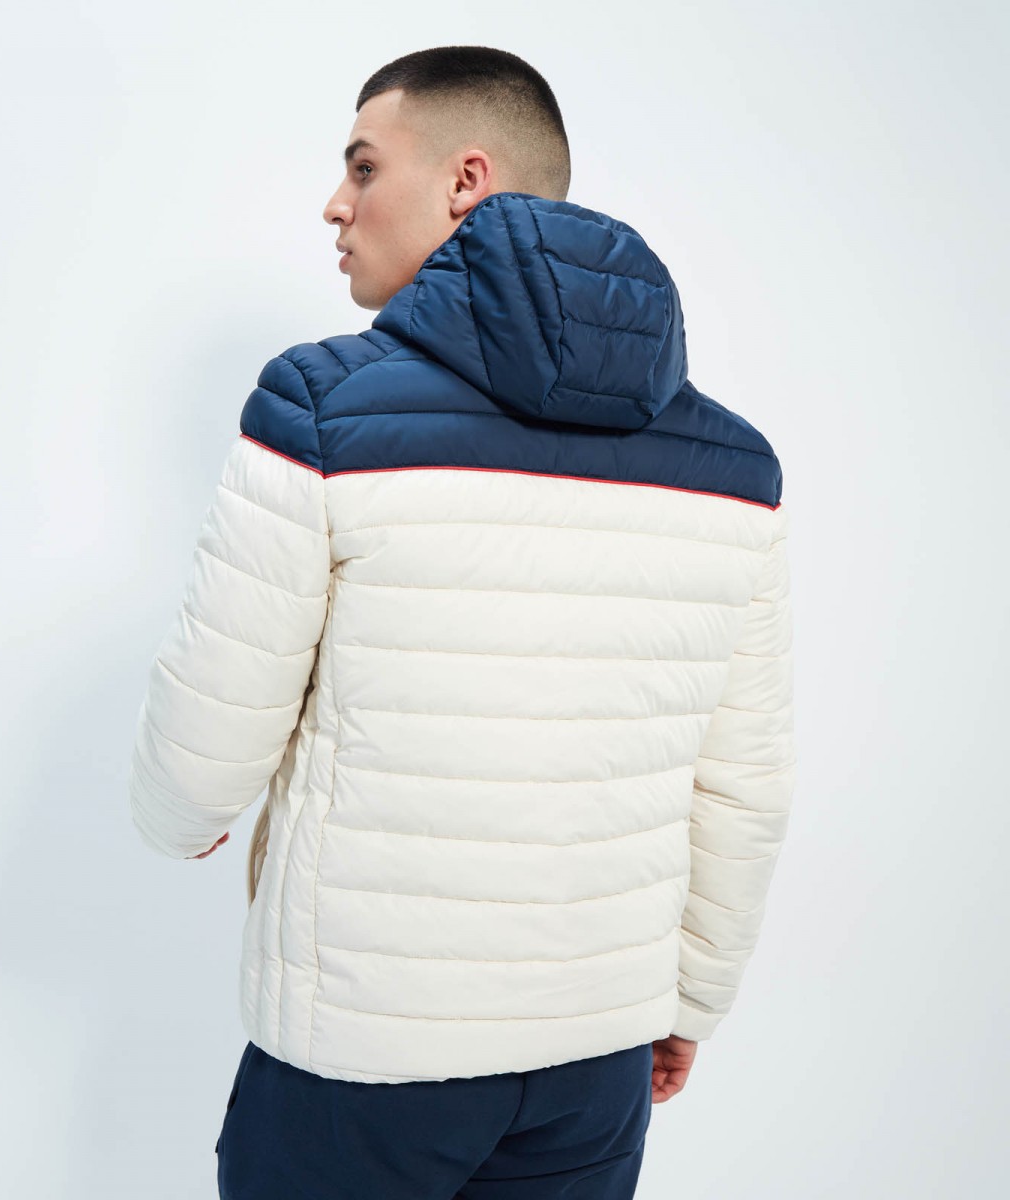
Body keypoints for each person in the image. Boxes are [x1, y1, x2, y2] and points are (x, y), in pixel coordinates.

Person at [127, 44, 796, 1199]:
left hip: (364, 1053)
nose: (335, 204)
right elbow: (744, 786)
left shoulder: (318, 408)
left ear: (465, 179)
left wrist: (176, 817)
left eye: (363, 166)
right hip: (595, 1057)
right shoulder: (735, 467)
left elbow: (206, 746)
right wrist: (692, 999)